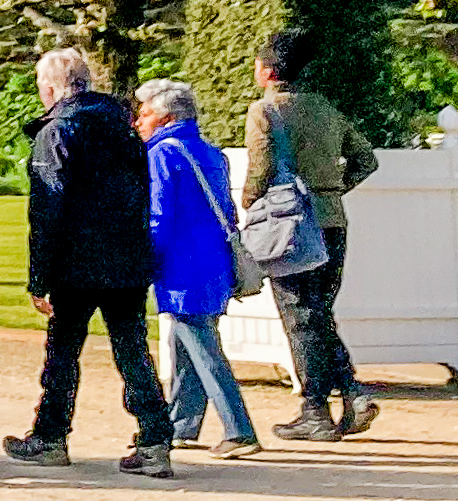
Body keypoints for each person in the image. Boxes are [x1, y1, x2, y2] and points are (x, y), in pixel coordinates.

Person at [8, 47, 174, 476]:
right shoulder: (124, 128)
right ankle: (156, 437)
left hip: (77, 261)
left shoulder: (58, 132)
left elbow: (48, 208)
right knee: (132, 350)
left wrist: (38, 277)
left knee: (63, 352)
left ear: (50, 88)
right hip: (126, 256)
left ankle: (49, 436)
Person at [247, 32, 380, 441]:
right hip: (332, 219)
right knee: (318, 312)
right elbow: (366, 159)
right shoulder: (324, 107)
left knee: (300, 316)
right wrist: (333, 189)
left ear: (268, 72)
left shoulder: (264, 111)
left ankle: (315, 411)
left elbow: (259, 170)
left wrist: (251, 205)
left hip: (291, 224)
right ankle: (352, 394)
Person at [137, 79, 256, 457]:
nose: (139, 122)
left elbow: (159, 215)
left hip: (181, 264)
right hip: (213, 261)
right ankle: (180, 424)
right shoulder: (211, 153)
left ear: (166, 117)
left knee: (201, 347)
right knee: (185, 343)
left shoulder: (161, 155)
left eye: (145, 114)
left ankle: (239, 430)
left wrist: (145, 259)